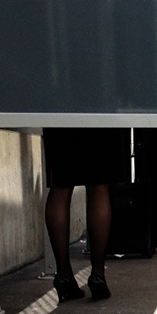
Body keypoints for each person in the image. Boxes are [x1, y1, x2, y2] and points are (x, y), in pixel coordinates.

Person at [43, 127, 127, 301]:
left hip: (59, 110)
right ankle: (98, 275)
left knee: (61, 185)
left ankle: (64, 274)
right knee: (99, 185)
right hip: (98, 110)